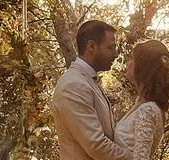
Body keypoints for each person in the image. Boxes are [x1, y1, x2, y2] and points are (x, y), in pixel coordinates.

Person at [51, 20, 133, 160]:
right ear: (91, 47)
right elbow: (96, 145)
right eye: (111, 47)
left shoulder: (86, 80)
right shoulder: (74, 85)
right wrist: (134, 158)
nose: (115, 54)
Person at [114, 40, 169, 160]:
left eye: (133, 59)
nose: (128, 63)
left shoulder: (148, 110)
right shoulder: (142, 104)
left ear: (144, 67)